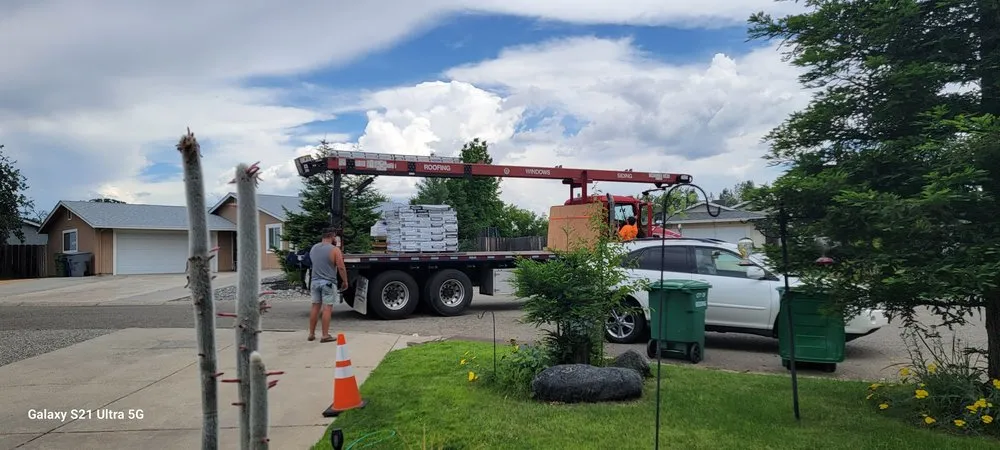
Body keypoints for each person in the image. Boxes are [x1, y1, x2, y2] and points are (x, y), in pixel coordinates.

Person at [308, 228, 348, 343]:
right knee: (327, 308)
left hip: (315, 282)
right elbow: (340, 266)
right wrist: (345, 281)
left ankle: (311, 333)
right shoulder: (335, 250)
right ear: (333, 236)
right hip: (328, 282)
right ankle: (325, 335)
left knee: (315, 307)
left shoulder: (314, 248)